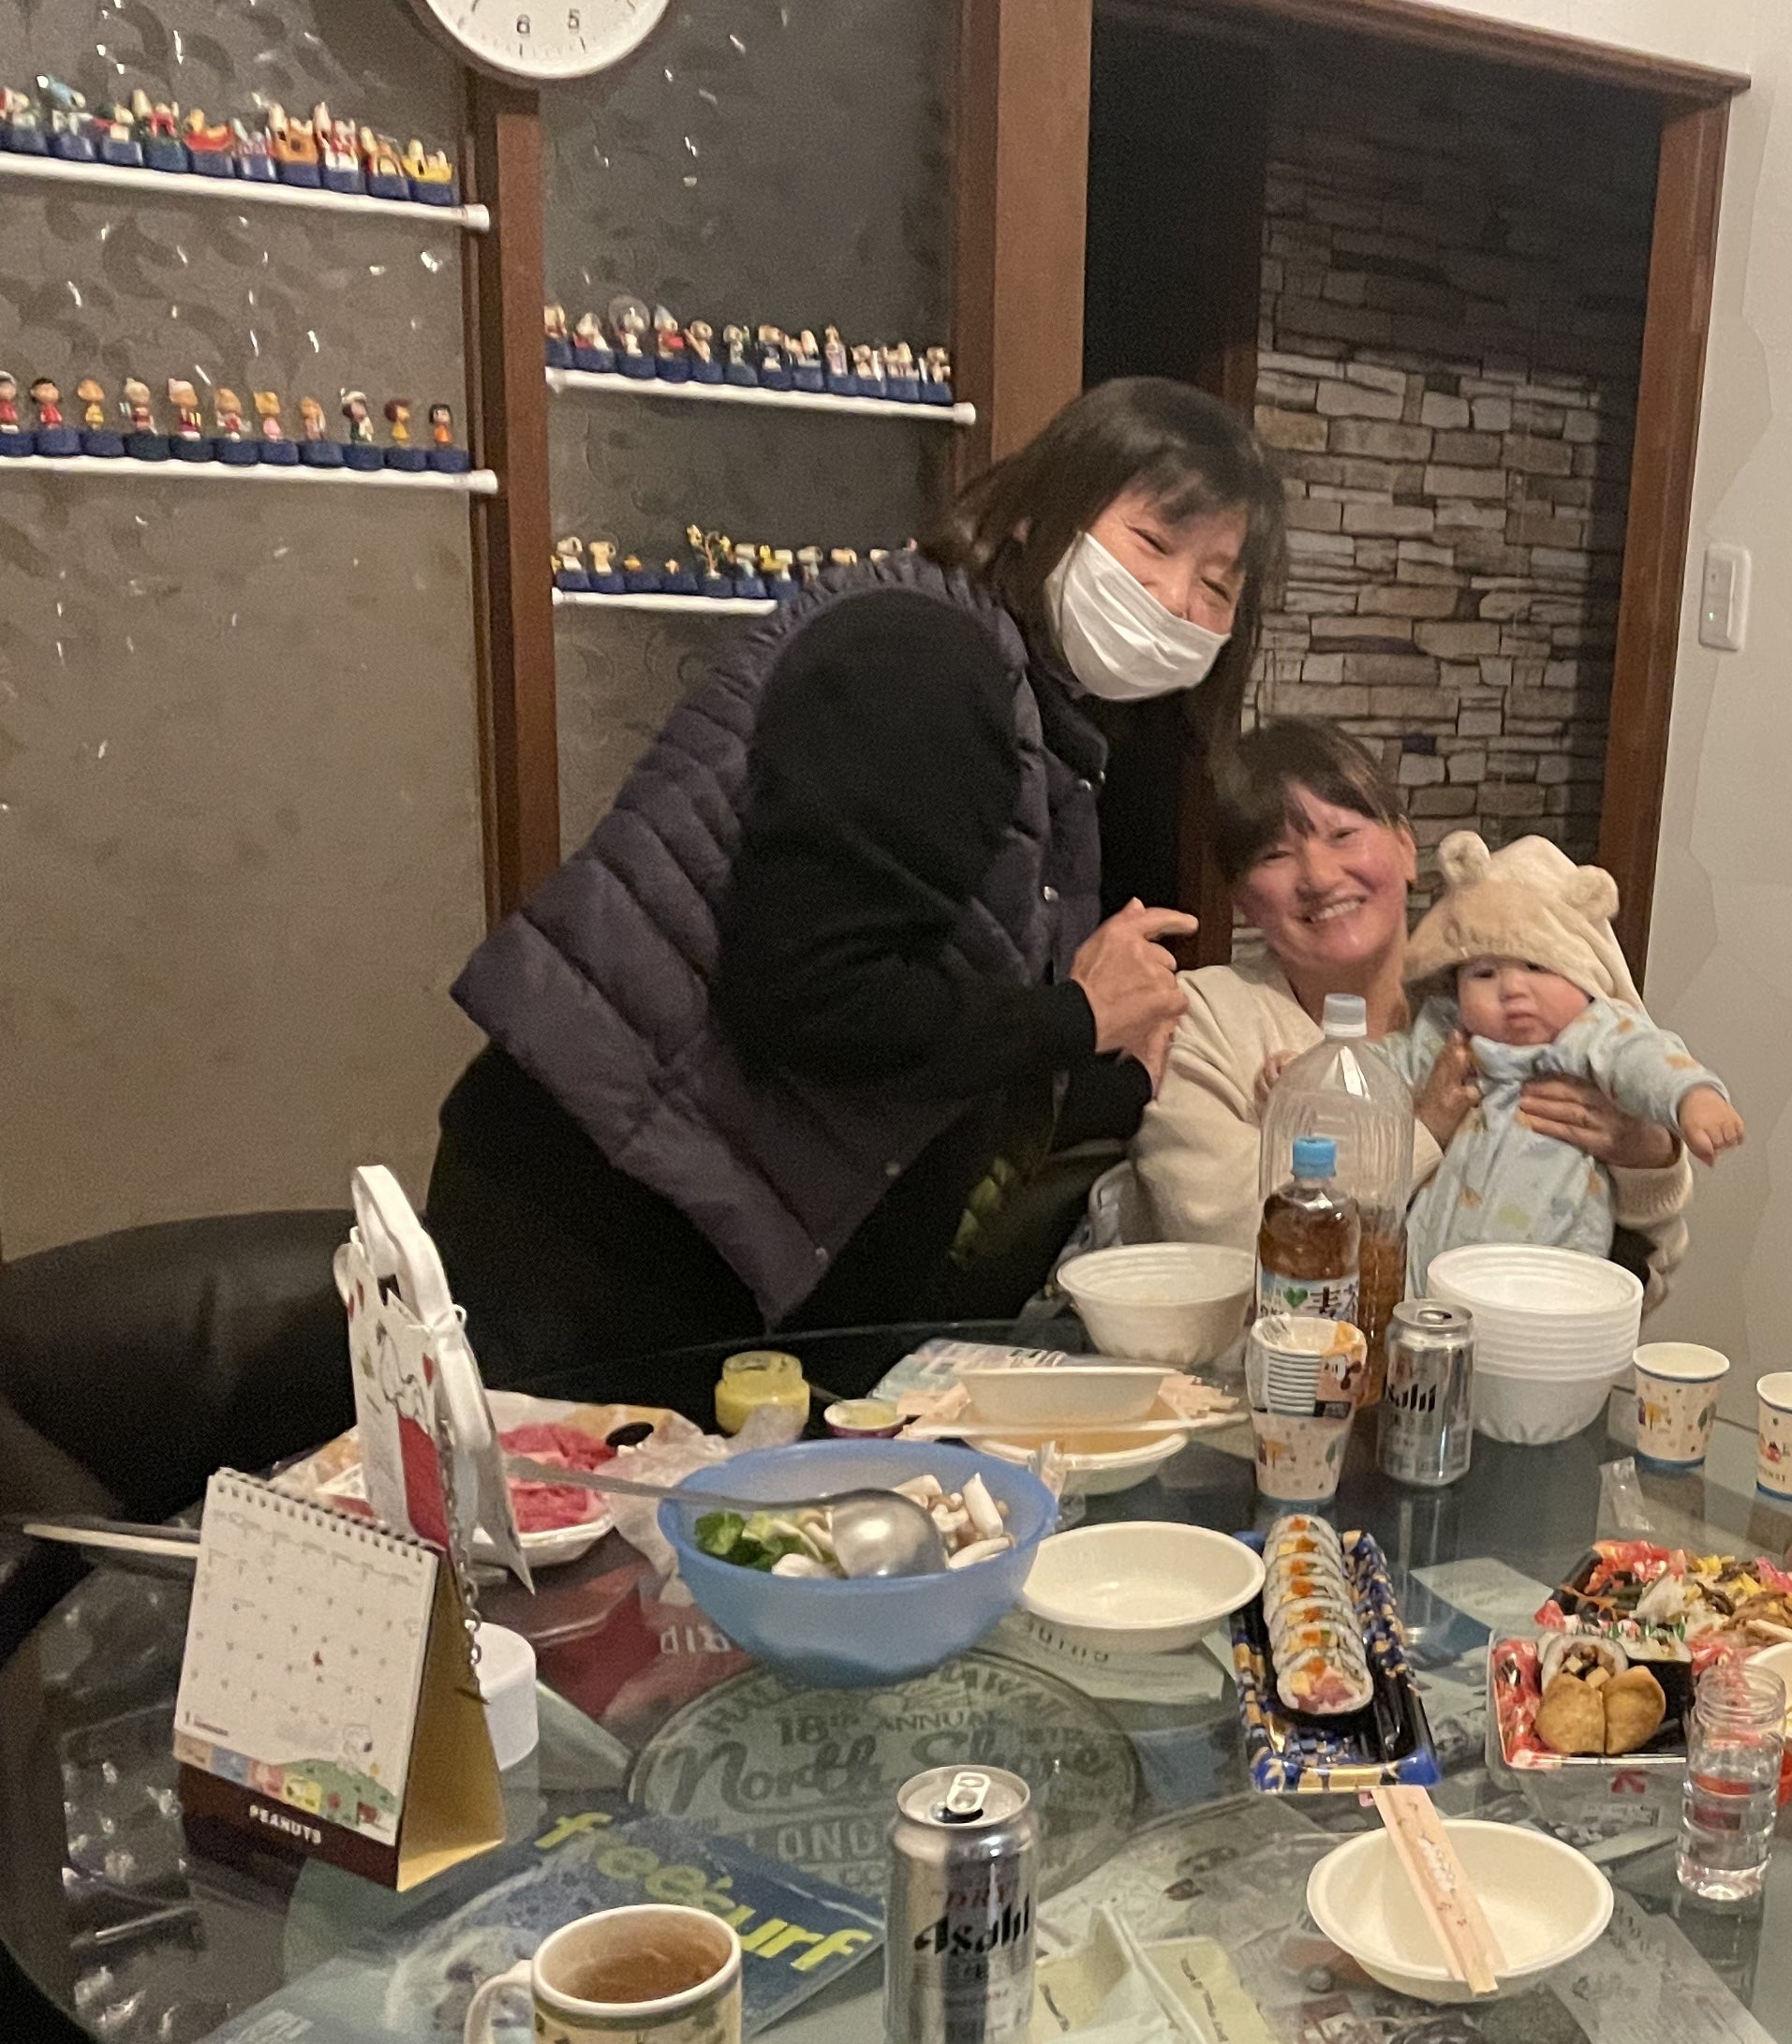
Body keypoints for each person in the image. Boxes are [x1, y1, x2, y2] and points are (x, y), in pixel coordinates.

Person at [427, 377, 1273, 1382]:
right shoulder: (924, 662)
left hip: (703, 1228)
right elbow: (813, 998)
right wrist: (1076, 1015)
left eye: (1216, 586)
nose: (1174, 602)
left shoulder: (1038, 719)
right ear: (1041, 509)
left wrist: (1112, 1064)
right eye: (1153, 544)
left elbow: (934, 1056)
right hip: (604, 1225)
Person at [1129, 719, 1696, 1291]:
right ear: (1242, 900)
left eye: (1343, 834)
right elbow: (1214, 1236)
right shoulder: (1206, 1017)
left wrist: (1646, 1157)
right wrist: (1418, 1131)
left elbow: (1652, 1268)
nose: (1319, 876)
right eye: (1275, 854)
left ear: (1406, 848)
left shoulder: (1512, 1000)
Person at [1387, 831, 1745, 1284]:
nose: (1512, 988)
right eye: (1484, 972)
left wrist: (1693, 1097)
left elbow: (1647, 1059)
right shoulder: (1446, 1040)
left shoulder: (1592, 1034)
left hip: (1551, 1275)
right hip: (1432, 1277)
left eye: (1537, 967)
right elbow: (1376, 1074)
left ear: (1582, 976)